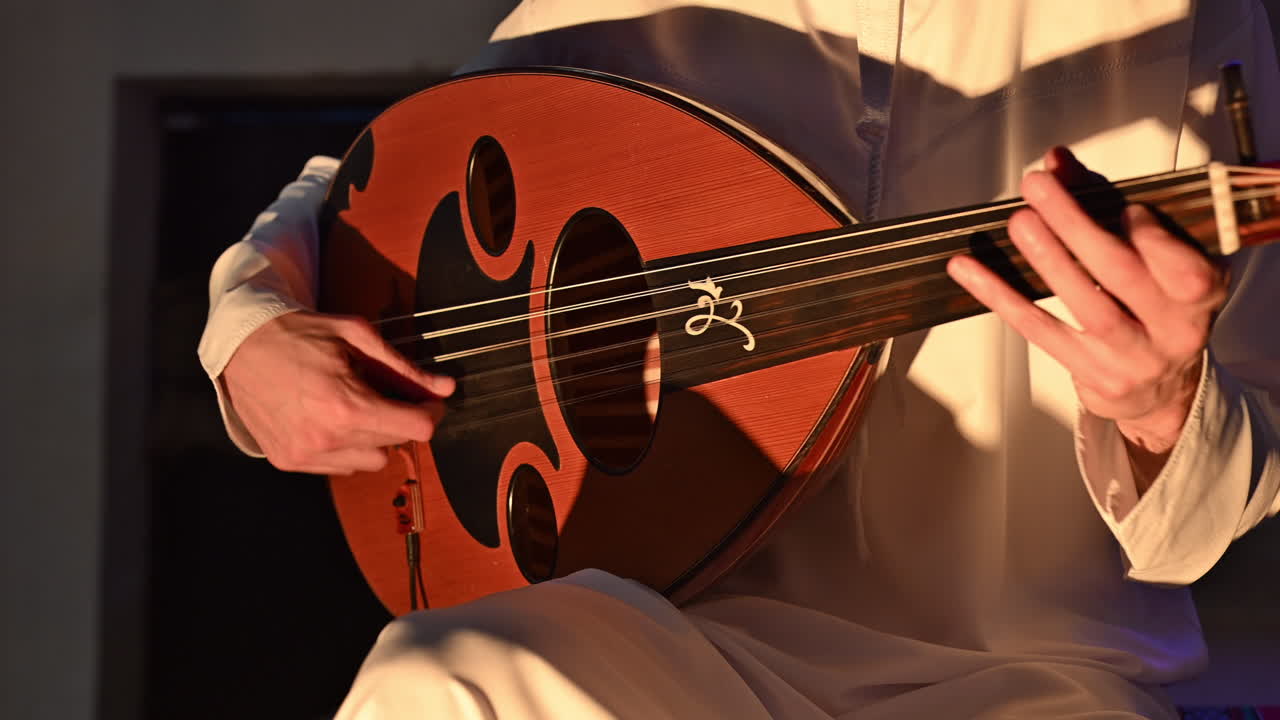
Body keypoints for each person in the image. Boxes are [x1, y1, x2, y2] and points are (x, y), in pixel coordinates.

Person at [197, 1, 1280, 717]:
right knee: (439, 681)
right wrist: (249, 326)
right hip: (680, 649)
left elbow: (1223, 498)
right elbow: (392, 167)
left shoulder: (1193, 19)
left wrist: (1161, 404)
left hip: (1034, 678)